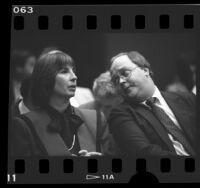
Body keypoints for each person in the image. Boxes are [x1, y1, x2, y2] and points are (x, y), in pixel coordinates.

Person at [10, 49, 111, 157]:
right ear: (46, 79)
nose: (74, 77)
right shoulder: (25, 125)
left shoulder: (96, 119)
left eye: (73, 70)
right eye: (64, 71)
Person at [108, 51, 197, 156]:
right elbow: (145, 153)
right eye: (115, 79)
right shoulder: (121, 114)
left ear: (145, 70)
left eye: (125, 73)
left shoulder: (187, 98)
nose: (121, 81)